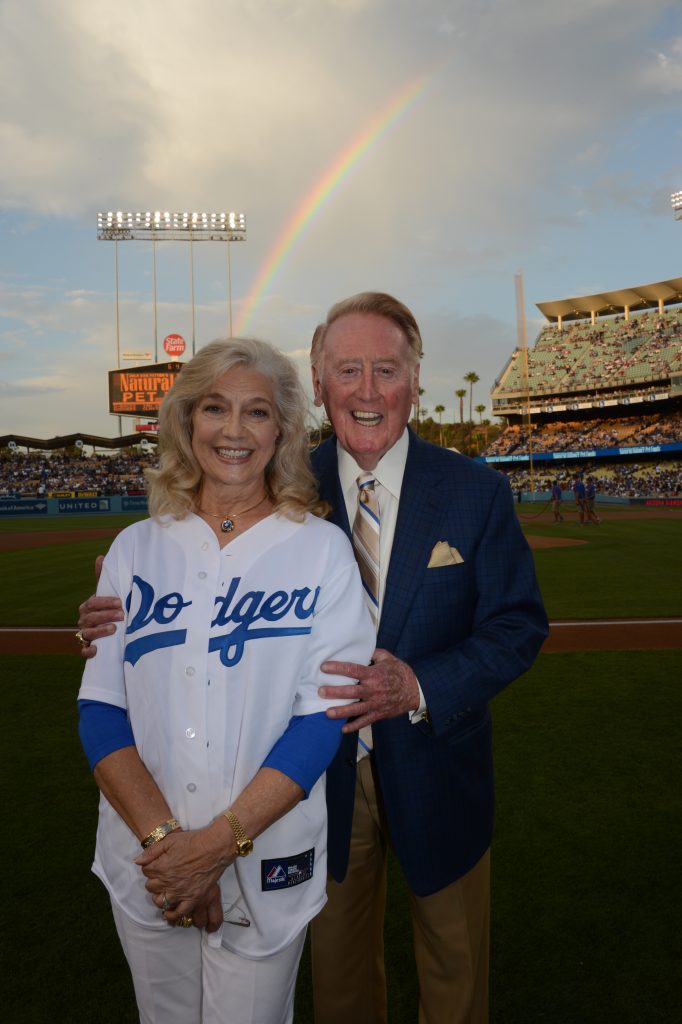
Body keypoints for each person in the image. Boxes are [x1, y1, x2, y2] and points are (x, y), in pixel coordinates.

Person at [78, 293, 548, 1024]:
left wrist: (420, 682)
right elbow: (186, 582)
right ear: (321, 387)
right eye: (347, 371)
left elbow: (518, 624)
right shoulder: (284, 477)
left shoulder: (474, 490)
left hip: (435, 762)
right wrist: (126, 612)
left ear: (415, 379)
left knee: (455, 968)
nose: (367, 390)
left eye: (385, 370)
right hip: (314, 783)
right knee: (339, 977)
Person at [76, 337, 374, 1024]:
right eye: (215, 408)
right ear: (186, 421)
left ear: (284, 430)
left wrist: (212, 849)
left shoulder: (322, 551)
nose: (234, 431)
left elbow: (319, 721)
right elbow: (101, 710)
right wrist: (168, 850)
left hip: (265, 853)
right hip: (148, 863)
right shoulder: (136, 548)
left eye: (257, 412)